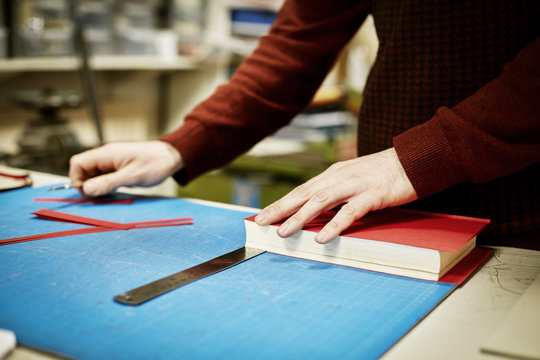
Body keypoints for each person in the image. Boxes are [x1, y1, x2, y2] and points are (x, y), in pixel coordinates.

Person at [70, 0, 540, 249]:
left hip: (523, 215)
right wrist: (178, 147)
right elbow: (296, 43)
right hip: (388, 220)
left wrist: (419, 158)